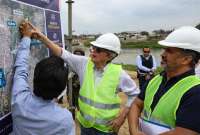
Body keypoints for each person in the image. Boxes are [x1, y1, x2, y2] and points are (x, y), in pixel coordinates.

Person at [22, 22, 139, 135]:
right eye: (93, 48)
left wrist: (122, 116)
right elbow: (63, 53)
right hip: (85, 126)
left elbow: (134, 94)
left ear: (110, 55)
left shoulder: (118, 73)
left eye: (98, 50)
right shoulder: (84, 63)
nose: (92, 52)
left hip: (106, 130)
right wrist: (42, 38)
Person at [128, 26, 200, 135]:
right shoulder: (156, 79)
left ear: (186, 59)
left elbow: (185, 132)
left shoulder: (195, 91)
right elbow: (136, 105)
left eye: (169, 51)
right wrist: (134, 130)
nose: (162, 55)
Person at [11, 21, 75, 135]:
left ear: (35, 78)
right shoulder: (64, 119)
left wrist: (26, 38)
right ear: (61, 90)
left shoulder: (19, 101)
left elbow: (21, 69)